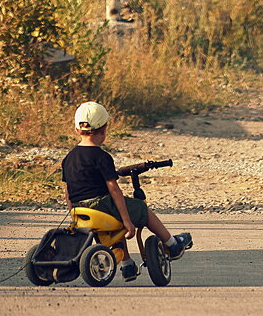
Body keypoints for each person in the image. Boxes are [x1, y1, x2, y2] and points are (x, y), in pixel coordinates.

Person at [61, 102, 192, 281]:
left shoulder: (69, 158)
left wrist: (73, 214)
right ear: (104, 129)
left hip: (79, 209)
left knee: (111, 226)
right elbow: (114, 190)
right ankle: (172, 243)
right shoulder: (102, 157)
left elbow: (67, 192)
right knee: (139, 209)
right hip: (102, 204)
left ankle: (127, 264)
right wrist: (127, 220)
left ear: (77, 130)